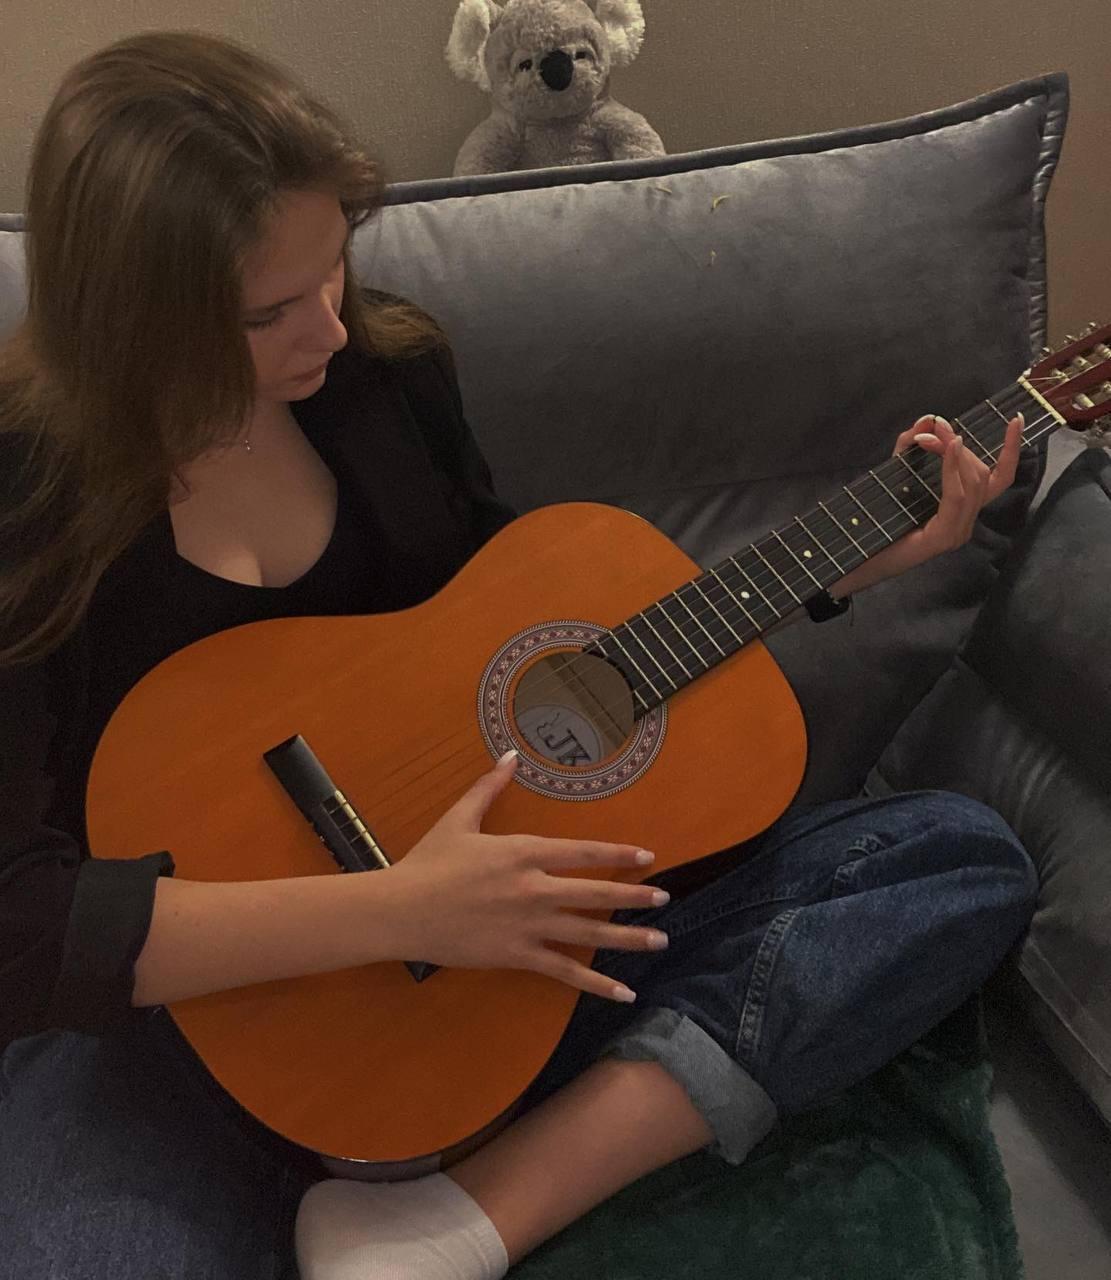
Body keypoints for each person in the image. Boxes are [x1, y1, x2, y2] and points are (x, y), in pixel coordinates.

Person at [0, 30, 1037, 1280]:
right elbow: (20, 918)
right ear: (132, 319)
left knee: (954, 857)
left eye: (334, 266)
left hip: (494, 988)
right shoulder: (26, 497)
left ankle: (464, 1218)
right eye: (267, 312)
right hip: (170, 1041)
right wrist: (397, 907)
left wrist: (851, 563)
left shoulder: (385, 376)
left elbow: (526, 628)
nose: (325, 326)